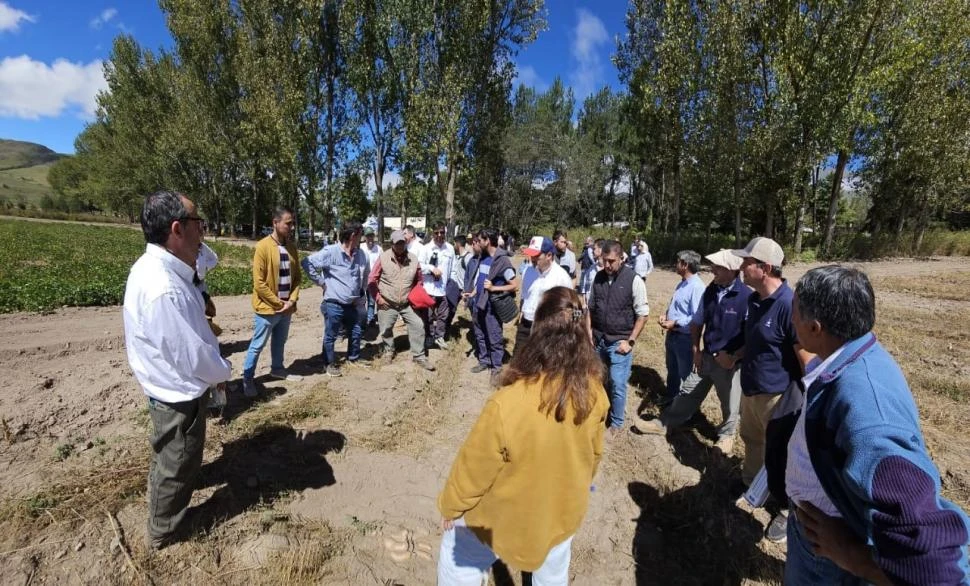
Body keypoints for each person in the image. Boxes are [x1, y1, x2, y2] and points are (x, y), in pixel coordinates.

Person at [778, 266, 970, 584]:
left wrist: (854, 557)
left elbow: (934, 567)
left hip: (829, 559)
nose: (791, 320)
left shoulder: (868, 415)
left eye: (794, 312)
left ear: (815, 327)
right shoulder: (851, 356)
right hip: (815, 535)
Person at [437, 287, 609, 585]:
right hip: (560, 513)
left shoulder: (509, 402)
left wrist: (451, 507)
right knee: (551, 576)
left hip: (499, 519)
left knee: (458, 565)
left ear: (538, 331)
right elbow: (592, 458)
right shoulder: (596, 393)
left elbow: (474, 468)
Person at [122, 190, 232, 550]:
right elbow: (194, 357)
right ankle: (164, 530)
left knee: (171, 455)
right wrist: (224, 370)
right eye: (197, 223)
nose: (203, 230)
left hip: (170, 385)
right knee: (178, 461)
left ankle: (164, 504)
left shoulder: (163, 268)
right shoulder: (163, 288)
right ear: (176, 229)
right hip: (178, 393)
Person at [717, 237, 812, 542]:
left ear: (765, 268)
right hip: (751, 390)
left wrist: (809, 402)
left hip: (778, 397)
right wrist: (735, 355)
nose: (741, 267)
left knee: (783, 457)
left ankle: (786, 511)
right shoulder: (755, 300)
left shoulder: (789, 305)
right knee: (752, 441)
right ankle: (751, 488)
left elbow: (807, 360)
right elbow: (756, 340)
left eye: (746, 262)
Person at [633, 249, 750, 454]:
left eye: (718, 267)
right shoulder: (712, 289)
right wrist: (696, 349)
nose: (712, 270)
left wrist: (734, 357)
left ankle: (726, 437)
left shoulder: (747, 297)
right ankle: (665, 423)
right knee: (688, 391)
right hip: (706, 356)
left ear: (732, 270)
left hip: (730, 363)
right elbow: (697, 321)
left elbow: (752, 336)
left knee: (729, 403)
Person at [588, 240, 650, 433]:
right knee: (596, 379)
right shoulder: (597, 278)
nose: (607, 265)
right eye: (603, 260)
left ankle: (616, 421)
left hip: (619, 342)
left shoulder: (633, 280)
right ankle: (598, 412)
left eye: (611, 261)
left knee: (617, 382)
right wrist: (588, 333)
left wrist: (630, 341)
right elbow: (589, 309)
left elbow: (643, 314)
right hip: (598, 340)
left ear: (621, 258)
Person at [241, 206, 303, 397]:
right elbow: (259, 283)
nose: (291, 227)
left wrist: (291, 301)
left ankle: (277, 369)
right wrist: (279, 304)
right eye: (288, 223)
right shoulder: (262, 246)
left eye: (292, 223)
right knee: (257, 345)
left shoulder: (292, 248)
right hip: (268, 309)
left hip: (286, 308)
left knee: (280, 341)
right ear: (275, 223)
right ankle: (247, 379)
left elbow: (297, 278)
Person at [301, 221, 370, 377]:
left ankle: (353, 357)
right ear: (353, 235)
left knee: (356, 331)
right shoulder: (331, 252)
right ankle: (329, 363)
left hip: (352, 303)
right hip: (334, 304)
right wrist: (321, 282)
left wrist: (362, 293)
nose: (362, 239)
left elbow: (365, 276)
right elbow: (307, 262)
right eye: (360, 235)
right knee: (331, 334)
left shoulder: (361, 255)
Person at [367, 230, 435, 371]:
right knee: (385, 329)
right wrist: (378, 298)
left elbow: (419, 280)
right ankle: (389, 350)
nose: (400, 246)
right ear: (392, 244)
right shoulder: (383, 258)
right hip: (387, 301)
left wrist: (416, 296)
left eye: (402, 243)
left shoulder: (413, 259)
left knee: (418, 325)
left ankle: (419, 356)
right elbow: (372, 279)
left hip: (406, 302)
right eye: (397, 243)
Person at [657, 250, 706, 404]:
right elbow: (676, 306)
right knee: (672, 370)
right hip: (673, 335)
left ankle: (686, 409)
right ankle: (672, 399)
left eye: (677, 261)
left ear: (685, 265)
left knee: (685, 374)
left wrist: (676, 322)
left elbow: (696, 316)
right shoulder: (682, 283)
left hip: (685, 338)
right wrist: (666, 315)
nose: (675, 264)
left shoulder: (697, 287)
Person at [470, 228, 517, 381]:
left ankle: (496, 368)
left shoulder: (502, 260)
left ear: (487, 241)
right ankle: (484, 360)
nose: (477, 243)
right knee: (479, 334)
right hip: (479, 303)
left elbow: (514, 285)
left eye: (480, 240)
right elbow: (482, 279)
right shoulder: (482, 257)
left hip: (491, 306)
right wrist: (473, 293)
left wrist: (494, 288)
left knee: (494, 336)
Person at [514, 236, 574, 353]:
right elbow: (525, 295)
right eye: (531, 255)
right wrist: (522, 311)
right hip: (526, 325)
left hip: (547, 329)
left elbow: (571, 308)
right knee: (518, 360)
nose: (532, 259)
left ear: (549, 256)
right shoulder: (528, 271)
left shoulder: (561, 277)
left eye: (536, 256)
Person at [419, 224, 455, 350]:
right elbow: (420, 266)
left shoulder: (450, 248)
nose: (439, 235)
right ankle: (429, 336)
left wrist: (452, 286)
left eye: (442, 232)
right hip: (429, 288)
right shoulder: (426, 249)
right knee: (428, 316)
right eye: (436, 233)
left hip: (443, 289)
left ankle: (439, 337)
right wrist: (431, 268)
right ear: (432, 234)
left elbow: (453, 268)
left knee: (443, 315)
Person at [446, 235, 472, 330]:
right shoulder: (457, 256)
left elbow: (472, 275)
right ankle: (446, 330)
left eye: (454, 244)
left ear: (457, 244)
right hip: (456, 289)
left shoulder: (468, 257)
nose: (453, 246)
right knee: (450, 310)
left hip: (464, 290)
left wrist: (467, 291)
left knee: (473, 311)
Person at [361, 227, 382, 327]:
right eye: (368, 236)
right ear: (364, 237)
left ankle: (370, 318)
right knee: (361, 300)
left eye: (371, 236)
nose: (370, 238)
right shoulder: (361, 248)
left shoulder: (379, 249)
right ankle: (362, 318)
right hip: (362, 279)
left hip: (374, 279)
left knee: (372, 300)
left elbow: (383, 262)